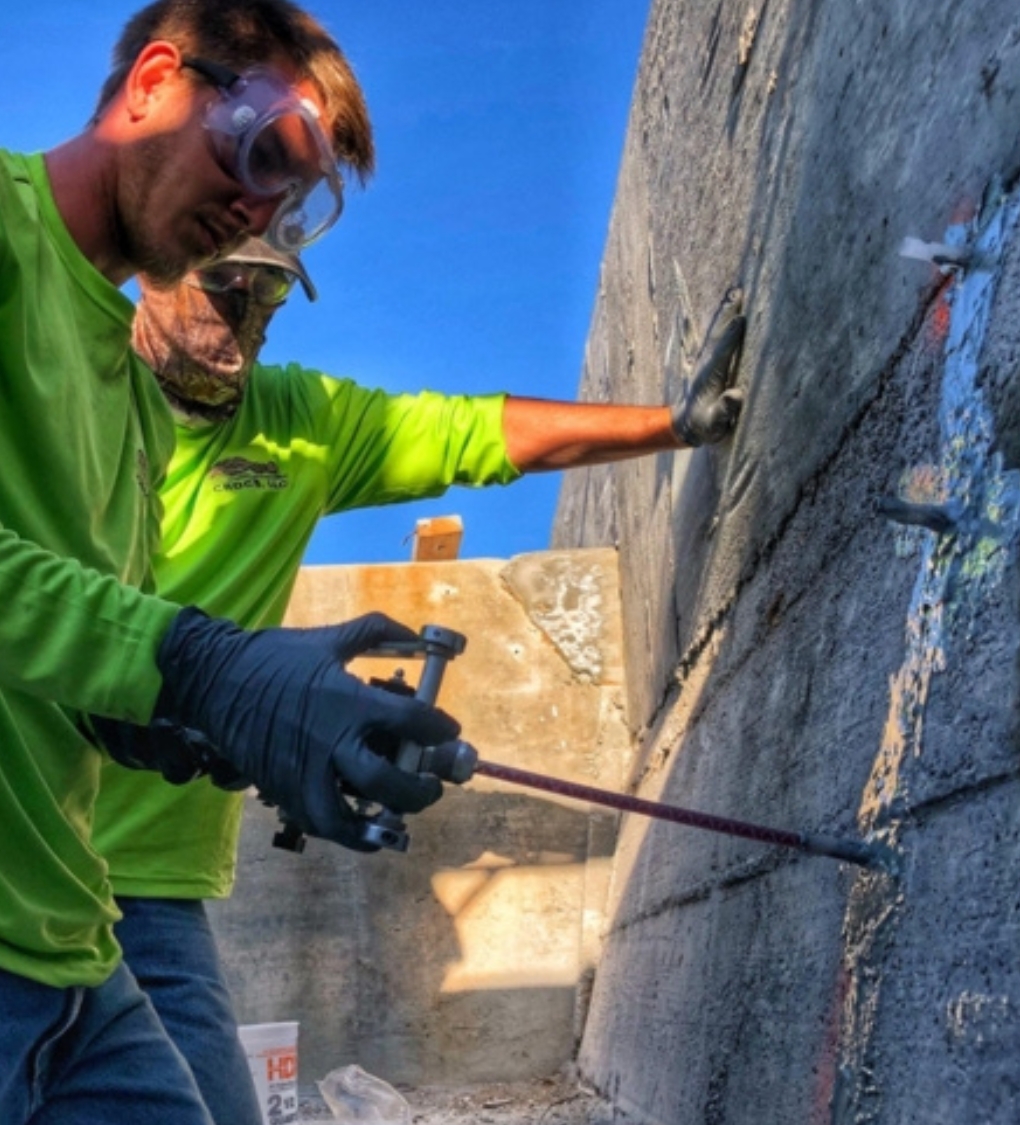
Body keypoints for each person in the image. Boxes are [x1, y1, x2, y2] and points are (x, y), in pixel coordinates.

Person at [90, 236, 747, 1125]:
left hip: (156, 886)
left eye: (270, 292)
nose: (243, 316)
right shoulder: (71, 405)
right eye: (222, 284)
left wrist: (667, 423)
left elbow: (469, 432)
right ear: (153, 263)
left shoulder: (298, 424)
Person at [0, 3, 463, 1123]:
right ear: (155, 80)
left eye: (295, 200)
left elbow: (52, 653)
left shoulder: (130, 408)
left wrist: (173, 721)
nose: (260, 211)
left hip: (70, 945)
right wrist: (199, 666)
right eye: (263, 154)